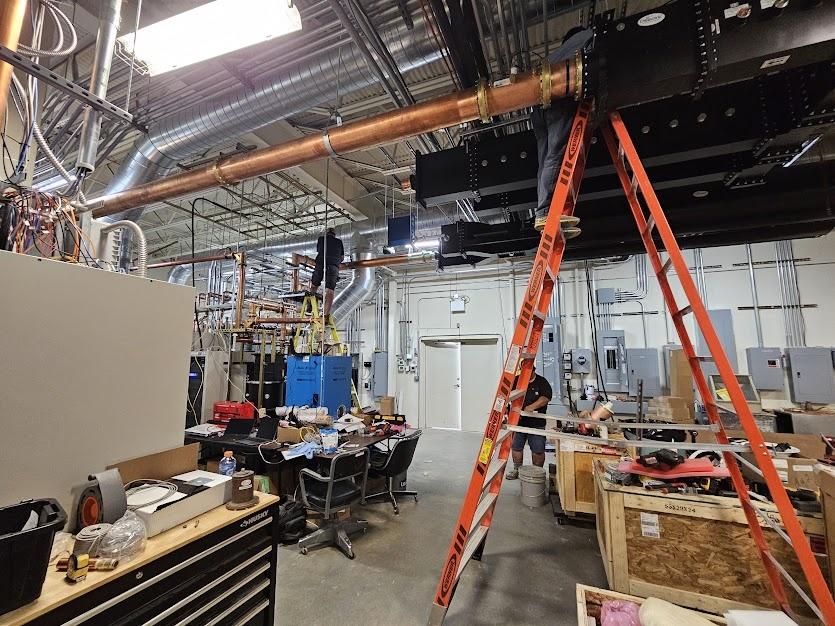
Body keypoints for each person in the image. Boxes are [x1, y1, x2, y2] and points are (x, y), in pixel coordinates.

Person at [532, 26, 593, 233]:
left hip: (538, 107)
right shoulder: (588, 37)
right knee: (555, 154)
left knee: (546, 159)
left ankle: (543, 210)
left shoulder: (554, 56)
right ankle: (545, 212)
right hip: (559, 100)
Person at [506, 365, 553, 480]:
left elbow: (546, 397)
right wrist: (508, 412)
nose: (525, 374)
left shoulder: (541, 382)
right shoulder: (516, 380)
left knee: (538, 449)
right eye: (523, 371)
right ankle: (517, 470)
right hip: (519, 422)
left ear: (533, 370)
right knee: (516, 447)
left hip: (536, 423)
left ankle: (537, 473)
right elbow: (507, 395)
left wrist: (531, 407)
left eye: (528, 372)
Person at [310, 227, 344, 318]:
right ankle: (326, 315)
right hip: (333, 266)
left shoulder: (321, 239)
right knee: (330, 291)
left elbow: (319, 250)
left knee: (314, 286)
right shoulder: (339, 242)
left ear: (326, 233)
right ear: (334, 234)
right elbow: (342, 257)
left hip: (321, 263)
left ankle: (310, 308)